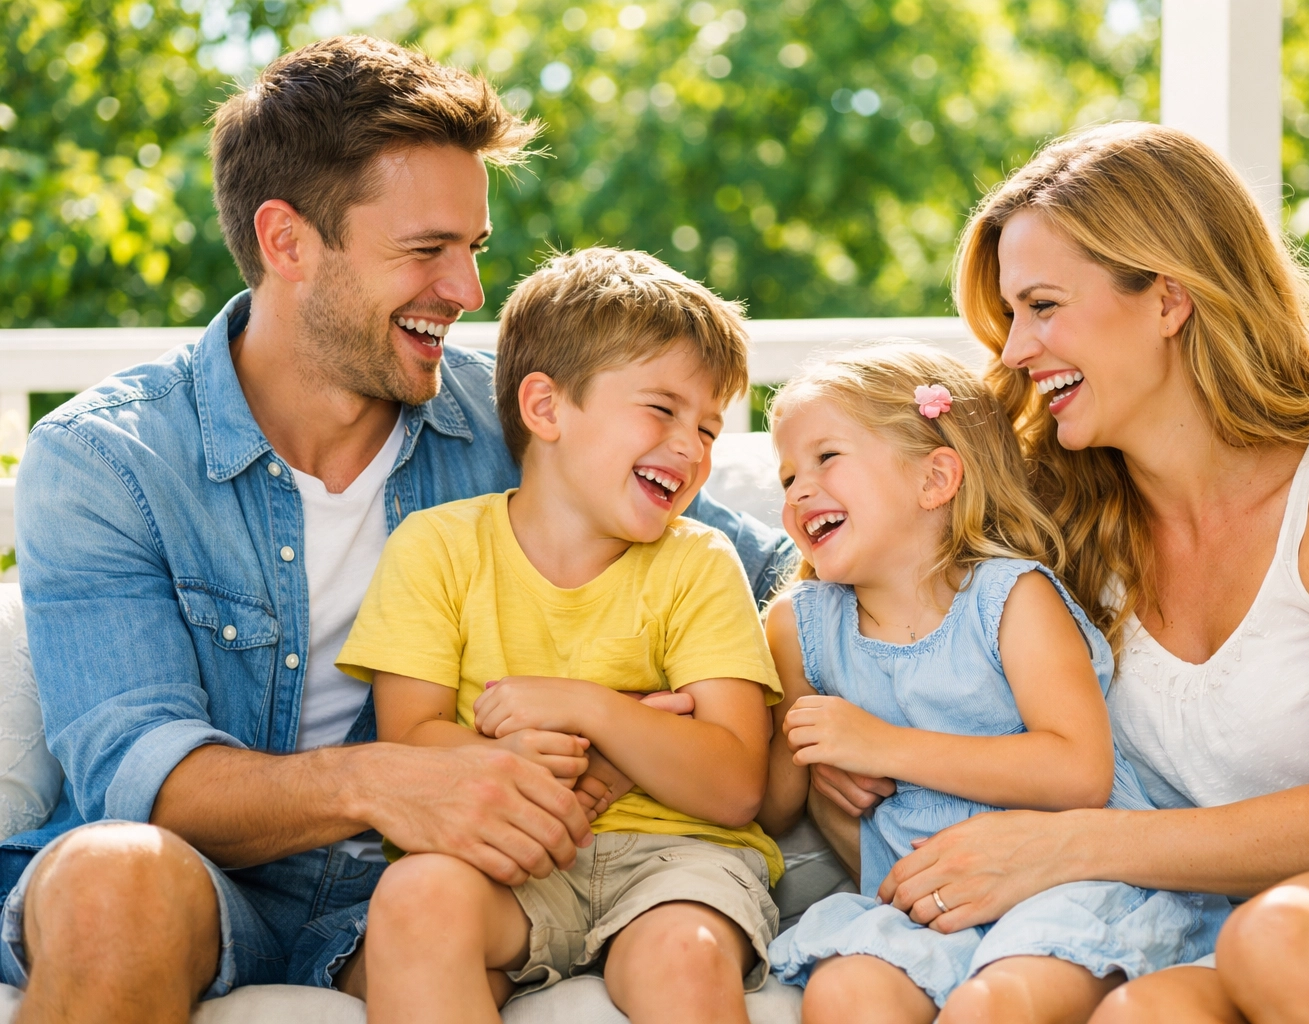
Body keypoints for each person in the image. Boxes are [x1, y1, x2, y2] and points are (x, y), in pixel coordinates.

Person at [5, 38, 785, 1024]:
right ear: (287, 241)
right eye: (427, 251)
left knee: (437, 908)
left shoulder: (515, 416)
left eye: (475, 250)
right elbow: (140, 773)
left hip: (460, 885)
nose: (468, 292)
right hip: (215, 884)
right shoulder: (107, 459)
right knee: (110, 875)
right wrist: (386, 781)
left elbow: (768, 569)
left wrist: (691, 721)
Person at [852, 123, 1309, 1024]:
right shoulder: (1064, 527)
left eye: (1044, 306)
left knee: (1281, 937)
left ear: (1167, 299)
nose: (1015, 350)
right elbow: (873, 563)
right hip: (1223, 913)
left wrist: (1072, 850)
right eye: (1012, 316)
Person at [339, 248, 785, 1024]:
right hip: (505, 856)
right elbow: (409, 743)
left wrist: (592, 710)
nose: (692, 447)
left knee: (682, 954)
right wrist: (500, 761)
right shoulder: (436, 548)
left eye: (709, 427)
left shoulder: (700, 564)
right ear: (545, 408)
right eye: (663, 409)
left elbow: (734, 782)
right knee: (414, 899)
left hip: (675, 862)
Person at [757, 345, 1229, 1024]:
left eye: (827, 458)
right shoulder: (798, 627)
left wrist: (881, 746)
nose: (800, 491)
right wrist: (796, 749)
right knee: (844, 996)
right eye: (787, 477)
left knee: (993, 1008)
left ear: (934, 479)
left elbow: (1078, 771)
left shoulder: (1008, 599)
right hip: (918, 912)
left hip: (1064, 892)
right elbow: (772, 808)